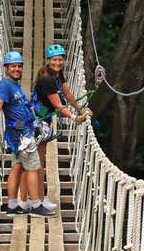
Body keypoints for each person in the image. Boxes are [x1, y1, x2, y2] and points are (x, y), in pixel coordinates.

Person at [0, 51, 55, 218]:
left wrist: (49, 112)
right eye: (13, 66)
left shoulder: (16, 86)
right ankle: (36, 206)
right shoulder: (5, 85)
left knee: (17, 167)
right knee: (33, 167)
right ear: (6, 68)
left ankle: (12, 205)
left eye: (19, 66)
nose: (17, 69)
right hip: (21, 135)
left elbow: (29, 105)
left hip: (22, 132)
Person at [22, 43, 92, 210]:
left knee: (39, 160)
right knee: (36, 162)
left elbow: (67, 93)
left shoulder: (58, 75)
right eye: (55, 60)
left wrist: (80, 108)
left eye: (60, 60)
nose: (58, 63)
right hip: (37, 120)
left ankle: (36, 199)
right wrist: (75, 117)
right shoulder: (47, 79)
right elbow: (58, 105)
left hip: (42, 119)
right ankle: (34, 200)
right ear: (48, 60)